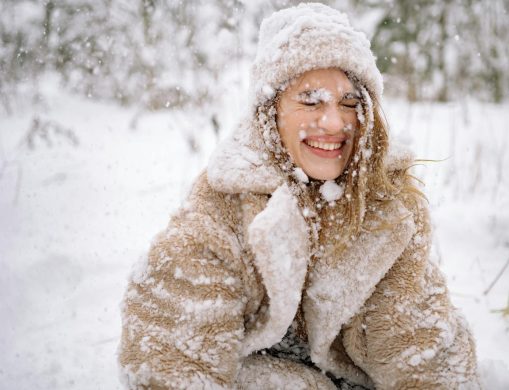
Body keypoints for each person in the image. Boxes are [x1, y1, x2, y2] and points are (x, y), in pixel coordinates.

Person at [118, 3, 480, 389]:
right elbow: (170, 355)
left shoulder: (388, 207)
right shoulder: (221, 208)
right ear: (271, 113)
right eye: (310, 100)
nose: (334, 122)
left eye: (350, 103)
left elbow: (420, 353)